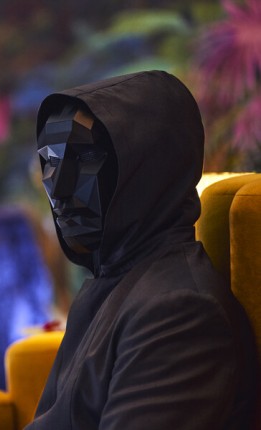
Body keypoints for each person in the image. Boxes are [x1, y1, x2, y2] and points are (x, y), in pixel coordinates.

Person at [27, 70, 257, 429]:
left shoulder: (180, 312)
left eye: (84, 159)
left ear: (151, 168)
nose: (58, 188)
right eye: (51, 162)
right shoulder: (115, 281)